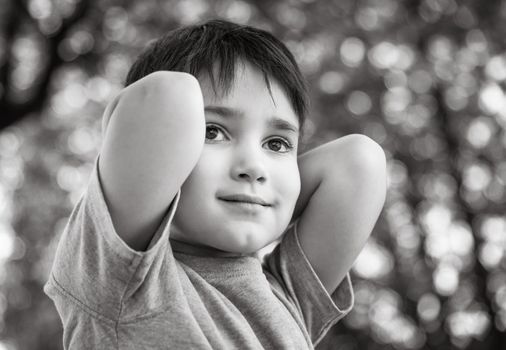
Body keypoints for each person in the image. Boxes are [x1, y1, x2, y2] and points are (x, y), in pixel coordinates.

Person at [44, 19, 387, 349]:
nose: (254, 167)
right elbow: (166, 97)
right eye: (212, 131)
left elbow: (360, 162)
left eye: (277, 144)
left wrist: (270, 199)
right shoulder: (119, 277)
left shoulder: (287, 298)